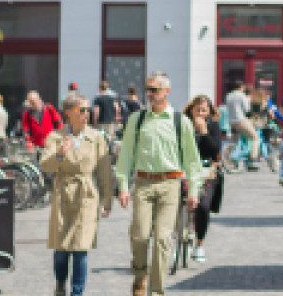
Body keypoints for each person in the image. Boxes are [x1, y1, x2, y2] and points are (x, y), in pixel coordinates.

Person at [115, 74, 205, 296]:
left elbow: (192, 160)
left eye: (155, 89)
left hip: (170, 184)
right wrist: (124, 185)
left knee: (163, 239)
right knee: (139, 235)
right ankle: (139, 275)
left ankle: (157, 291)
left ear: (166, 91)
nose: (150, 93)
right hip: (143, 183)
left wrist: (194, 189)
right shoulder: (136, 119)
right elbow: (125, 155)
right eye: (148, 89)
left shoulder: (180, 121)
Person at [43, 95, 114, 296]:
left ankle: (77, 292)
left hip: (86, 194)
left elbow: (104, 170)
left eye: (87, 110)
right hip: (63, 193)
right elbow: (45, 165)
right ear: (68, 112)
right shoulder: (55, 136)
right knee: (61, 250)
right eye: (81, 110)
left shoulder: (96, 137)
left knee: (81, 248)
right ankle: (60, 284)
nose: (86, 114)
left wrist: (107, 197)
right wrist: (59, 153)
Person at [182, 95, 225, 263]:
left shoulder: (213, 126)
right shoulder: (184, 125)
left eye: (204, 110)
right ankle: (179, 238)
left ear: (209, 112)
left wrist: (204, 132)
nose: (200, 113)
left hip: (207, 170)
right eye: (197, 110)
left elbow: (214, 149)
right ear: (191, 110)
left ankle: (199, 243)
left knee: (203, 206)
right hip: (185, 169)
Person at [221, 82, 258, 170]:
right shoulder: (242, 95)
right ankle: (253, 159)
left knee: (234, 141)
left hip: (232, 122)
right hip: (241, 120)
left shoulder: (228, 95)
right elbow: (247, 109)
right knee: (255, 138)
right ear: (241, 87)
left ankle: (226, 154)